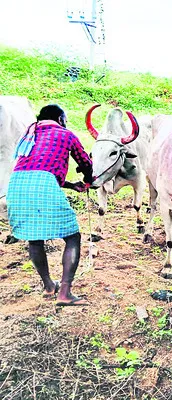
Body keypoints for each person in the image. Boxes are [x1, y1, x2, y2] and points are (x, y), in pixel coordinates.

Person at [6, 104, 93, 306]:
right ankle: (65, 293)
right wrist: (89, 180)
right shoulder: (65, 134)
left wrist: (72, 186)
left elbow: (40, 167)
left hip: (17, 184)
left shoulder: (30, 134)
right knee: (72, 236)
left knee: (34, 238)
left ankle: (48, 286)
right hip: (42, 183)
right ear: (61, 119)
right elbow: (84, 162)